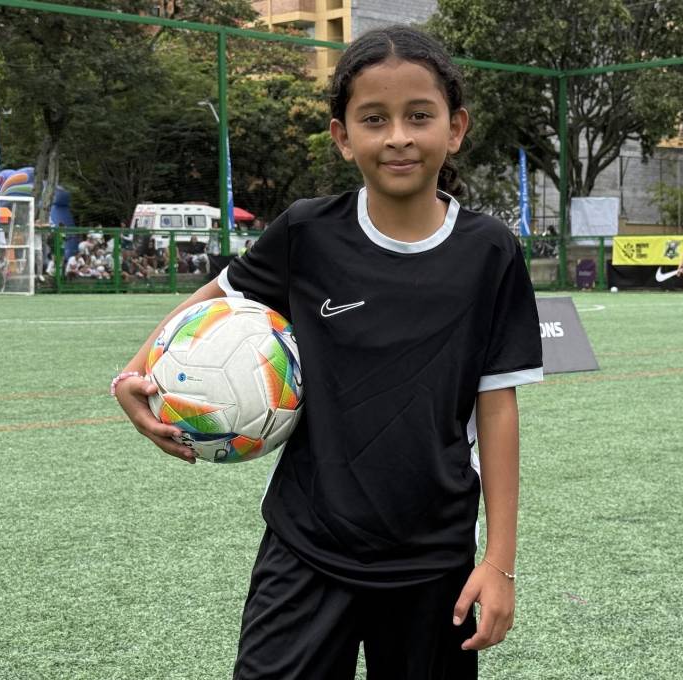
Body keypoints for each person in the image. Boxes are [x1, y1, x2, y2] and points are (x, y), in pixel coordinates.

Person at [113, 25, 542, 680]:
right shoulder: (308, 233)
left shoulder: (490, 254)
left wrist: (499, 561)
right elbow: (213, 299)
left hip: (433, 562)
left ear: (454, 129)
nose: (397, 136)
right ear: (344, 136)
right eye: (374, 119)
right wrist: (135, 370)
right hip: (306, 546)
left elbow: (498, 407)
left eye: (418, 116)